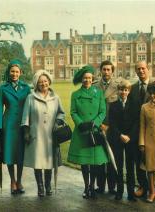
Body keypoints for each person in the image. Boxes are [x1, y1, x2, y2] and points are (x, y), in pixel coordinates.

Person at [21, 70, 65, 197]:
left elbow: (61, 113)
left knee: (49, 160)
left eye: (45, 81)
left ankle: (48, 185)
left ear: (49, 82)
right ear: (36, 84)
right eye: (40, 82)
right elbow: (25, 116)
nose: (43, 84)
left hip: (51, 134)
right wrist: (26, 132)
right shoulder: (31, 97)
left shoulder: (55, 97)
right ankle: (40, 187)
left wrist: (58, 121)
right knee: (38, 161)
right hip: (36, 133)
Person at [67, 65, 109, 199]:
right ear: (81, 79)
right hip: (82, 132)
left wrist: (95, 123)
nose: (87, 80)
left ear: (93, 79)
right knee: (85, 163)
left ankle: (92, 186)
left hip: (95, 131)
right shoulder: (75, 95)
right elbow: (73, 112)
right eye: (85, 78)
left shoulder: (99, 93)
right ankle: (86, 187)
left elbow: (103, 111)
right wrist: (81, 124)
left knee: (95, 161)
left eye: (90, 78)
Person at [128, 61, 155, 199]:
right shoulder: (131, 88)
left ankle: (154, 189)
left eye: (143, 68)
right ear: (136, 71)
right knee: (139, 160)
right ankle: (143, 186)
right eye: (138, 69)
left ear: (148, 69)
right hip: (136, 130)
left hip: (154, 131)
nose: (141, 71)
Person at [0, 59, 31, 194]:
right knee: (10, 153)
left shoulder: (26, 88)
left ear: (20, 73)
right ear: (9, 72)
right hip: (8, 124)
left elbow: (30, 108)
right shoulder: (3, 88)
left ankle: (20, 181)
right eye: (12, 71)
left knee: (21, 153)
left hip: (22, 124)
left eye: (17, 71)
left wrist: (30, 125)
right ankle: (12, 180)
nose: (14, 74)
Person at [108, 79, 137, 201]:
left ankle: (131, 193)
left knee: (130, 167)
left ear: (129, 91)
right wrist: (120, 135)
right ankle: (119, 191)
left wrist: (129, 136)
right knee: (118, 166)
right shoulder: (113, 105)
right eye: (121, 90)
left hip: (130, 140)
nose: (123, 92)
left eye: (125, 90)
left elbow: (137, 123)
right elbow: (112, 124)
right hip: (118, 139)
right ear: (118, 91)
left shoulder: (134, 104)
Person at [94, 60, 120, 194]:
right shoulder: (94, 86)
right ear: (100, 71)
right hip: (98, 127)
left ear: (112, 71)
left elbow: (120, 110)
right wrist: (99, 124)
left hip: (112, 128)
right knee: (99, 158)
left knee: (111, 157)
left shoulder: (118, 86)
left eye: (109, 70)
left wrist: (110, 126)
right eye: (104, 69)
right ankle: (100, 186)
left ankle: (112, 186)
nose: (106, 72)